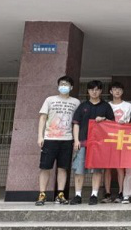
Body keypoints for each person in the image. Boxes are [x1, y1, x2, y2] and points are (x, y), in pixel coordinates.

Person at [35, 75, 80, 206]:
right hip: (50, 138)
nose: (64, 87)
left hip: (67, 139)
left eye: (66, 85)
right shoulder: (50, 100)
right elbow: (43, 118)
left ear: (71, 87)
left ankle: (60, 194)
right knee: (45, 167)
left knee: (63, 168)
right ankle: (42, 194)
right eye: (62, 84)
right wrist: (40, 136)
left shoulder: (76, 102)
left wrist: (76, 139)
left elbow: (76, 122)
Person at [70, 80, 115, 205]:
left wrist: (104, 119)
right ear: (88, 91)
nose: (94, 92)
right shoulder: (82, 106)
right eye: (91, 89)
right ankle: (78, 195)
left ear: (101, 91)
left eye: (97, 89)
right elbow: (76, 124)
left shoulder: (106, 106)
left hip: (99, 144)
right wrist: (76, 140)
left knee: (97, 170)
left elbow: (112, 124)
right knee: (79, 169)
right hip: (83, 142)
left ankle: (94, 195)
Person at [101, 82, 131, 203]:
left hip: (122, 139)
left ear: (122, 91)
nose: (117, 91)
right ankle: (107, 193)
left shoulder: (128, 106)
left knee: (120, 167)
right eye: (114, 89)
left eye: (119, 89)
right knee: (107, 167)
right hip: (108, 139)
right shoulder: (106, 105)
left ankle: (121, 192)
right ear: (111, 91)